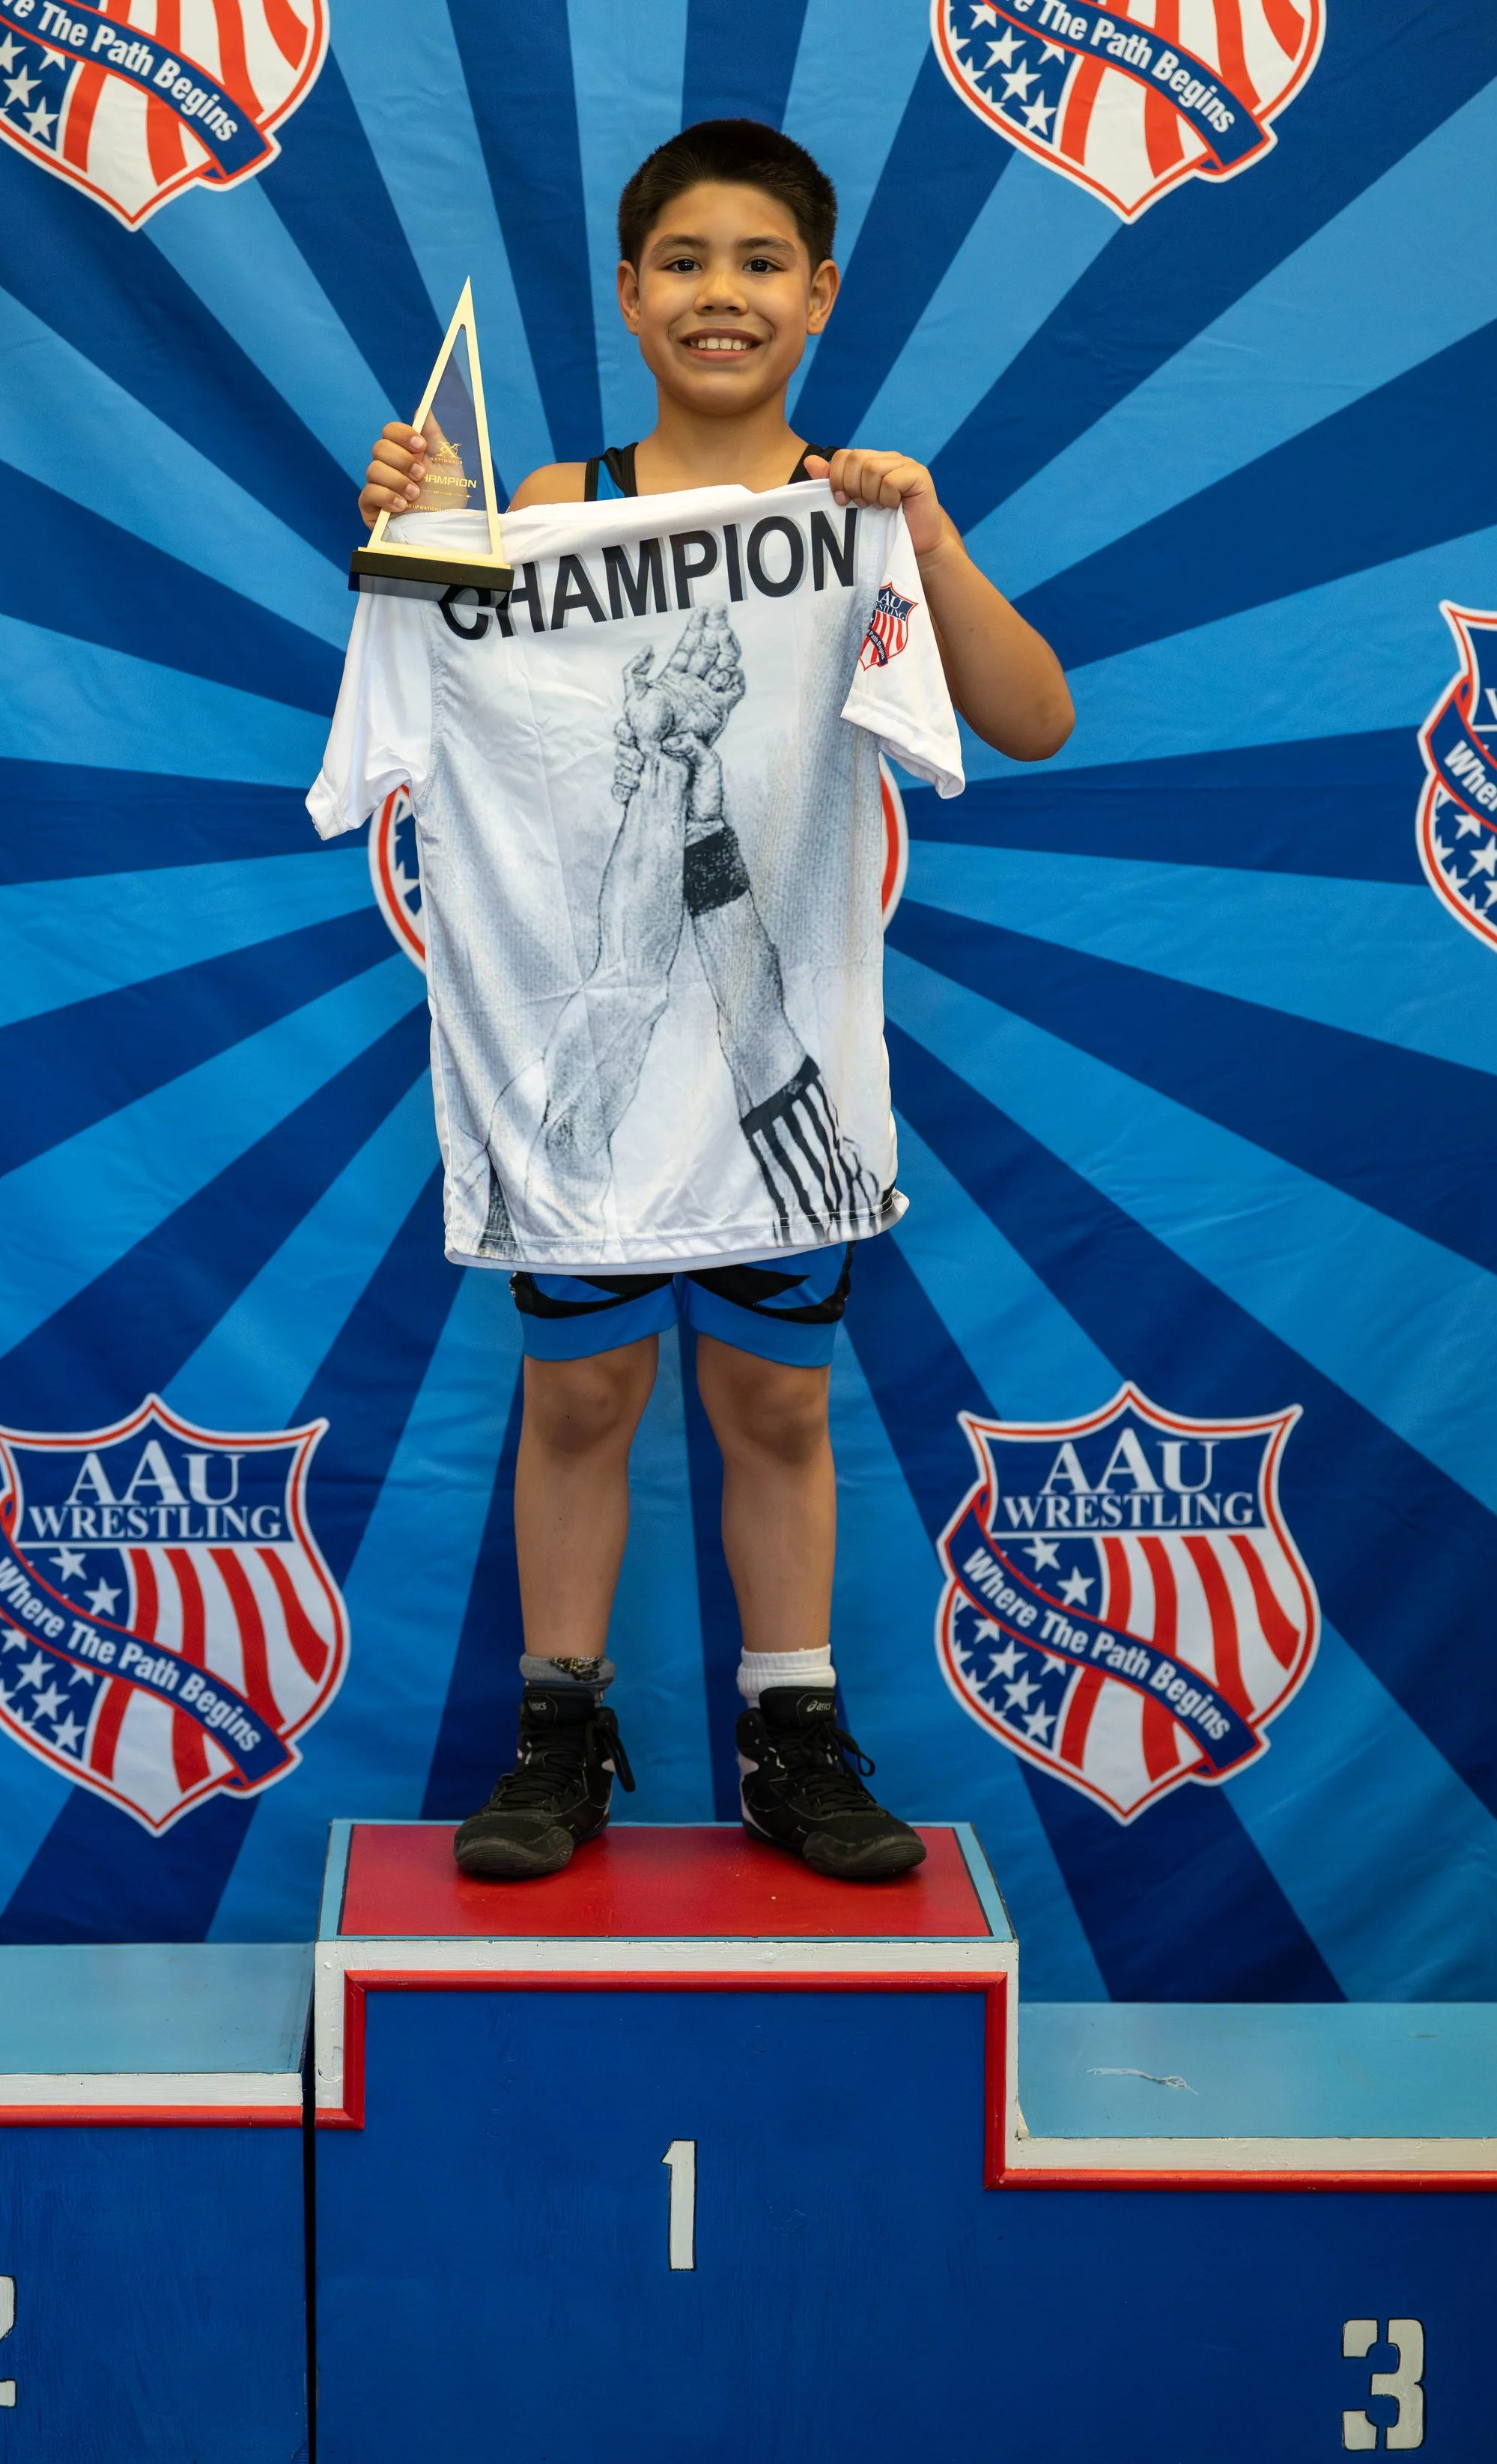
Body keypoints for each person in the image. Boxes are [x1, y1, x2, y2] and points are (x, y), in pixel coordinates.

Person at [351, 118, 1073, 1883]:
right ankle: (559, 1723)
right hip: (585, 1004)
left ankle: (792, 1724)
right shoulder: (547, 514)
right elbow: (448, 718)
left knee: (773, 1404)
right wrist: (412, 541)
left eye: (758, 263)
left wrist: (928, 534)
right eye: (683, 262)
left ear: (817, 297)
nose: (719, 294)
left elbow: (1032, 717)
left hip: (768, 1000)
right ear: (626, 292)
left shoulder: (855, 510)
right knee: (580, 1400)